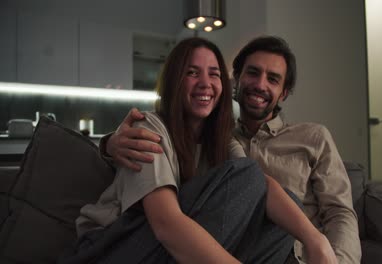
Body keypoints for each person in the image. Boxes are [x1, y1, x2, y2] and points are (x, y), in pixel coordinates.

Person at [60, 37, 336, 264]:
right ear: (174, 80)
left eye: (213, 74)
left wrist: (315, 239)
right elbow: (166, 223)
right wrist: (107, 144)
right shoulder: (150, 127)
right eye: (192, 72)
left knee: (286, 207)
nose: (205, 83)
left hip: (163, 250)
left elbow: (264, 188)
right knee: (252, 176)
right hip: (111, 249)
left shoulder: (223, 140)